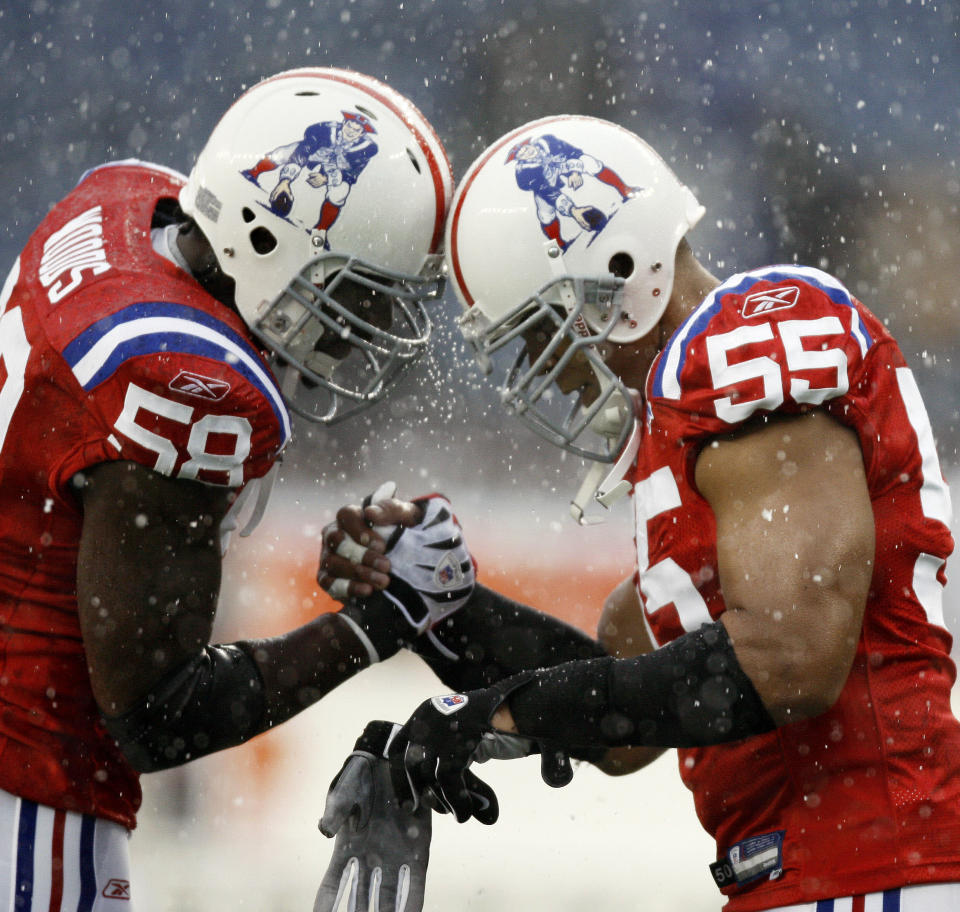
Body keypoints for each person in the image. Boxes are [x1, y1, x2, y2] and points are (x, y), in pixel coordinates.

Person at [321, 114, 960, 911]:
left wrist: (498, 710)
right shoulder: (689, 429)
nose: (553, 381)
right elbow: (627, 716)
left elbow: (791, 662)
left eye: (542, 334)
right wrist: (438, 606)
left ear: (613, 282)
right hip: (810, 873)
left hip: (874, 863)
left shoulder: (742, 345)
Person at [0, 65, 470, 910]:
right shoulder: (183, 377)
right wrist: (378, 621)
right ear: (264, 240)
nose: (355, 329)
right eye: (353, 291)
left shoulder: (125, 205)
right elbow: (157, 713)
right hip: (26, 785)